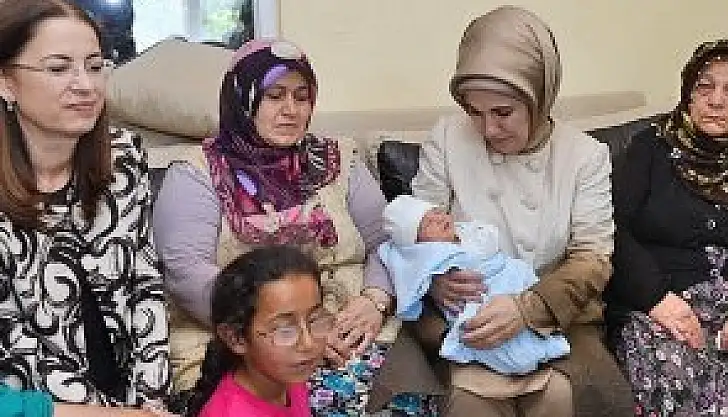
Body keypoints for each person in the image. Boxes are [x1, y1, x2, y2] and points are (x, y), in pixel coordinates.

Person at [153, 39, 439, 416]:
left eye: (301, 97)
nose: (291, 110)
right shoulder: (197, 174)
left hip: (357, 333)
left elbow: (386, 243)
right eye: (274, 96)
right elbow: (186, 274)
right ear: (242, 98)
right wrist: (299, 332)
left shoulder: (340, 160)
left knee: (410, 403)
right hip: (255, 346)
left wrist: (374, 301)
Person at [410, 5, 634, 417]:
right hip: (468, 317)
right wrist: (435, 279)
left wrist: (527, 309)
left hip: (558, 315)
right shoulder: (446, 138)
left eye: (503, 113)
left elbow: (593, 258)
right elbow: (417, 228)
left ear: (540, 97)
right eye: (474, 112)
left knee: (559, 398)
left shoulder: (585, 156)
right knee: (468, 403)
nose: (487, 129)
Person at [0, 0, 169, 415]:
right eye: (59, 68)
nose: (86, 86)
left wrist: (150, 402)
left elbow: (144, 281)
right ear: (6, 82)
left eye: (95, 66)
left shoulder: (124, 155)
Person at [605, 39, 728, 416]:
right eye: (704, 87)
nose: (716, 101)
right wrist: (657, 299)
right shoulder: (650, 148)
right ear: (687, 94)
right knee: (672, 372)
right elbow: (610, 228)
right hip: (660, 305)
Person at [378, 194, 570, 374]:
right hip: (475, 295)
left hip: (508, 275)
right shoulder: (428, 257)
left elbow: (490, 240)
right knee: (485, 328)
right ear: (417, 244)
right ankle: (519, 357)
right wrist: (430, 280)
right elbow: (404, 267)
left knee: (527, 302)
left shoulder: (467, 231)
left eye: (436, 212)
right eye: (428, 223)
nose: (438, 219)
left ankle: (547, 345)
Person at [185, 246, 329, 417]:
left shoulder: (289, 375)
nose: (308, 343)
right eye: (284, 330)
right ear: (236, 338)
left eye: (314, 320)